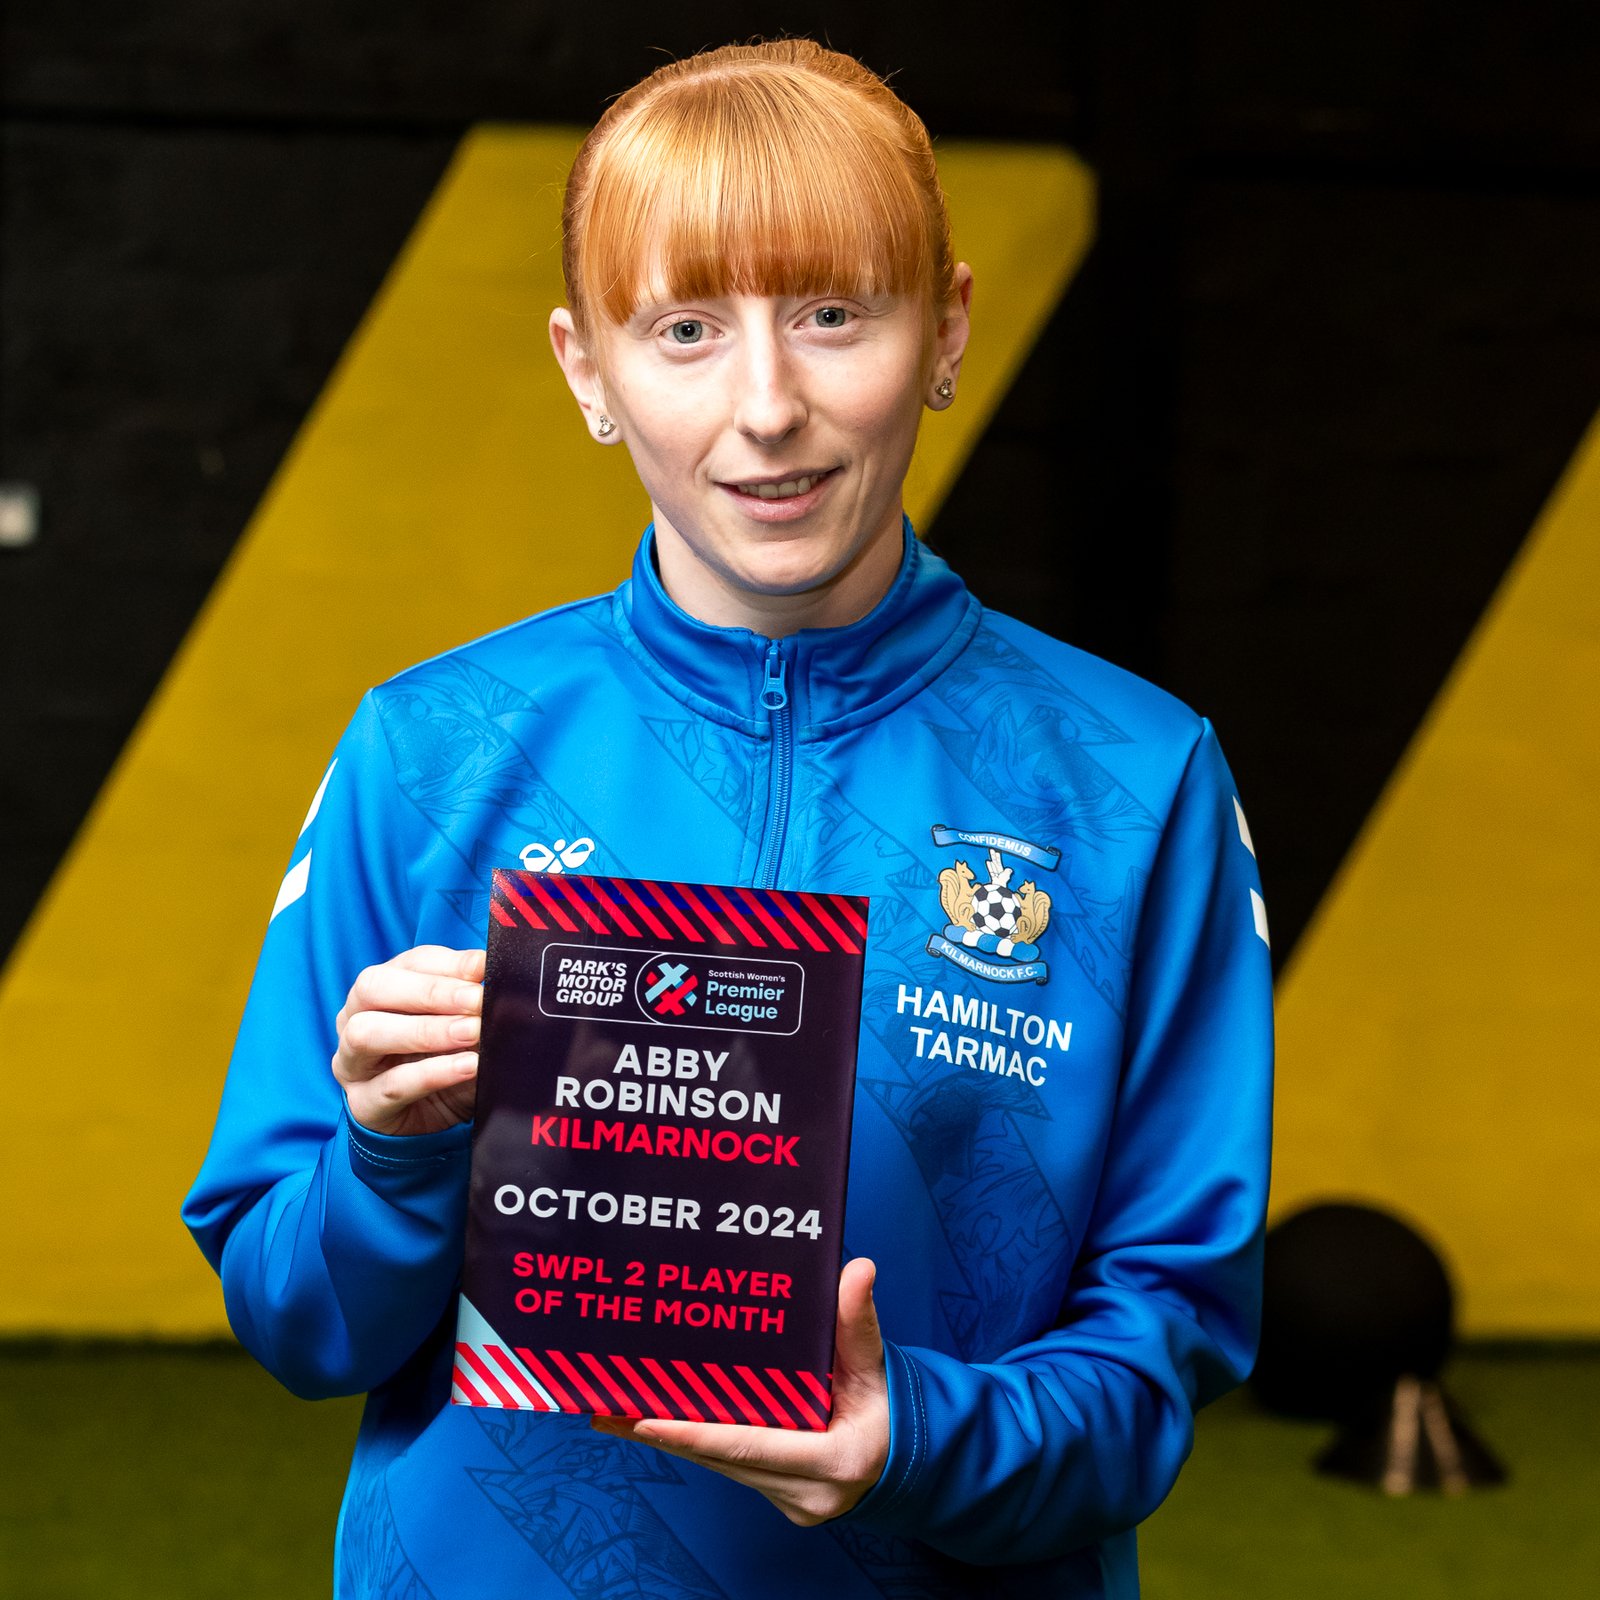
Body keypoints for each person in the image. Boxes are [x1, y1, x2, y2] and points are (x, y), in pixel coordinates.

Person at [183, 38, 1273, 1600]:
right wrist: (392, 1156)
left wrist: (917, 1439)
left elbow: (1163, 1348)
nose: (768, 406)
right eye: (685, 329)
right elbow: (295, 1322)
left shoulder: (1132, 778)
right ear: (587, 370)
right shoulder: (431, 750)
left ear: (947, 327)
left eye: (833, 315)